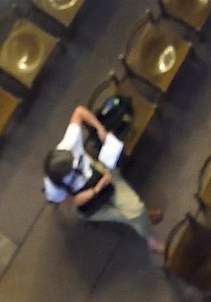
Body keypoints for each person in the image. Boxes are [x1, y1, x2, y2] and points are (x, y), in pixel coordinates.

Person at [43, 98, 162, 255]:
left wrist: (100, 129)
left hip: (100, 174)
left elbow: (79, 112)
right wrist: (96, 189)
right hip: (90, 201)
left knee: (135, 210)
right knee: (130, 214)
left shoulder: (68, 146)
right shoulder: (53, 189)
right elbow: (72, 202)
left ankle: (143, 218)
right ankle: (151, 239)